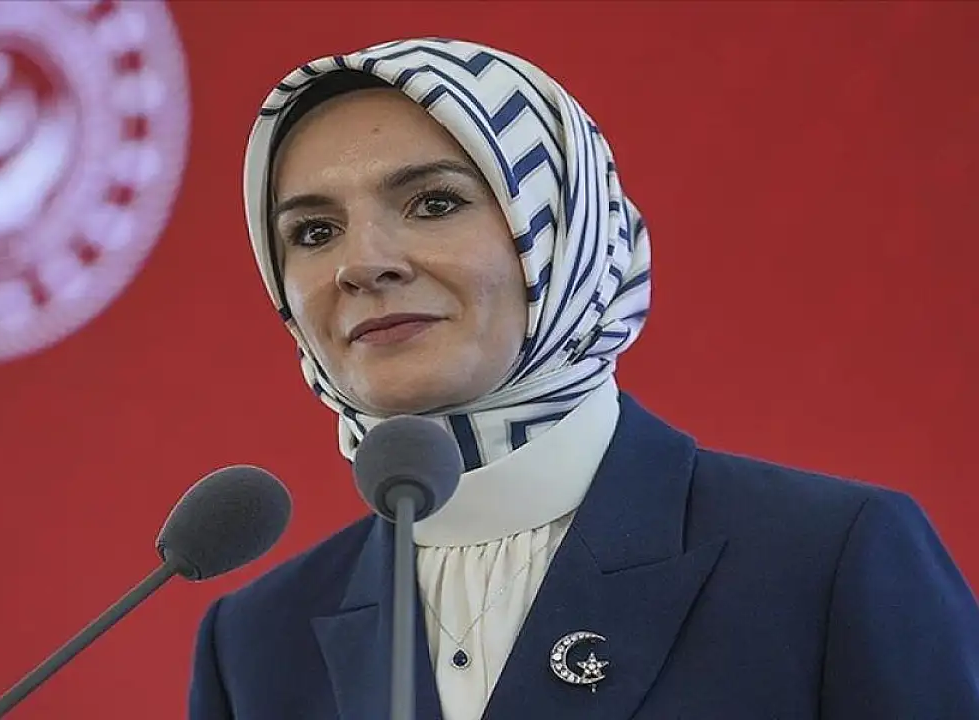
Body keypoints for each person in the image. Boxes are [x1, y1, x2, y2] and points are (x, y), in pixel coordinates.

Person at [188, 38, 979, 720]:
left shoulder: (826, 559)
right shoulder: (254, 642)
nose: (362, 264)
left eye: (433, 202)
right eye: (313, 232)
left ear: (566, 229)